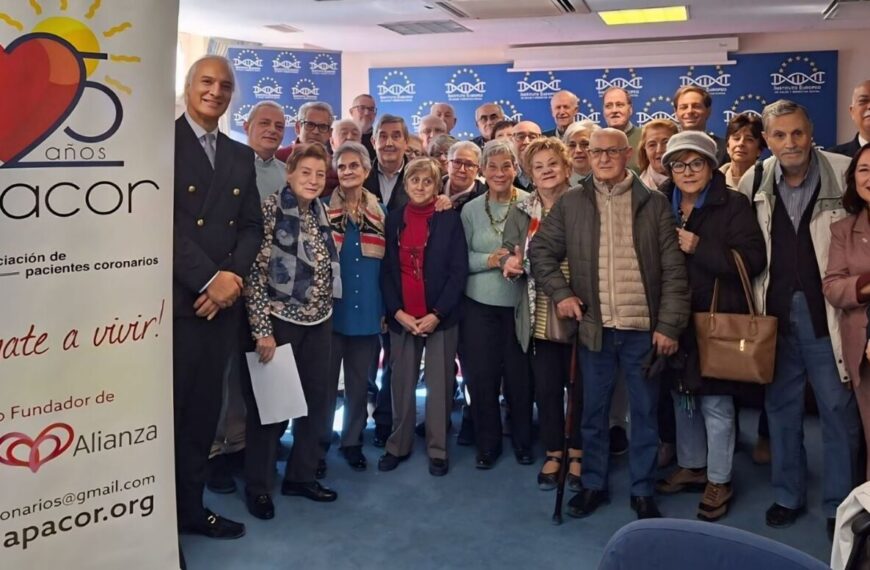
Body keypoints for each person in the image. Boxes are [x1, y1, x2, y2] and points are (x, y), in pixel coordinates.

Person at [530, 127, 690, 520]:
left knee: (645, 414)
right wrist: (562, 294)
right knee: (593, 413)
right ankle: (594, 485)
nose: (602, 158)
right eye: (595, 151)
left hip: (643, 329)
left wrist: (669, 326)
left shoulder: (653, 203)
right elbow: (541, 252)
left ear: (627, 154)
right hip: (594, 327)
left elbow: (674, 270)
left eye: (612, 152)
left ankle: (643, 490)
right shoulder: (571, 202)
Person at [738, 99, 860, 534]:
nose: (790, 143)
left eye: (797, 133)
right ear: (767, 140)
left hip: (828, 315)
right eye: (779, 135)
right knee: (781, 409)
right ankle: (787, 495)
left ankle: (838, 505)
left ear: (811, 133)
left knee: (838, 412)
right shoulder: (754, 179)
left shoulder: (843, 172)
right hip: (774, 318)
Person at [654, 132, 767, 522]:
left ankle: (719, 479)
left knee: (716, 404)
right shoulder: (659, 202)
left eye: (696, 163)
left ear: (710, 165)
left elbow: (753, 259)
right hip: (673, 316)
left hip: (716, 317)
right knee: (682, 397)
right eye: (679, 165)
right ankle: (692, 465)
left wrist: (698, 247)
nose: (687, 172)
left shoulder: (732, 203)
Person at [173, 55, 263, 540]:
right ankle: (160, 525)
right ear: (189, 86)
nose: (215, 91)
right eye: (206, 82)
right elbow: (159, 223)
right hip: (179, 303)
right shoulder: (160, 142)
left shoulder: (239, 155)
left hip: (221, 305)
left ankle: (191, 509)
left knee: (204, 417)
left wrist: (229, 279)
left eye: (225, 85)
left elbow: (251, 227)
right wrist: (208, 279)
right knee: (170, 416)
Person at [243, 143, 341, 519]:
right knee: (272, 410)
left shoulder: (320, 209)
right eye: (306, 173)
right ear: (289, 173)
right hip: (279, 321)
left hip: (319, 320)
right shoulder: (269, 208)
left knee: (315, 405)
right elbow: (254, 273)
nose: (313, 180)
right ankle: (258, 487)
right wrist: (262, 330)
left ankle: (301, 476)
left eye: (319, 174)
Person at [206, 100, 289, 495]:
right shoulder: (227, 164)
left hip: (269, 295)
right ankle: (214, 451)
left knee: (251, 371)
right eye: (264, 123)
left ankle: (239, 443)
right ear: (247, 124)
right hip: (228, 283)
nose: (272, 130)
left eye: (279, 125)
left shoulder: (286, 175)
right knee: (220, 374)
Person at [378, 157, 469, 476]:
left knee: (440, 385)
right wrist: (397, 312)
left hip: (440, 316)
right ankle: (397, 445)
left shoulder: (449, 219)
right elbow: (386, 271)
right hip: (403, 316)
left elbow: (458, 271)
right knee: (400, 384)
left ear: (436, 186)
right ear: (405, 185)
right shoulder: (393, 219)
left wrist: (437, 314)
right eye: (414, 180)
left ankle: (437, 449)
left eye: (427, 181)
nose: (420, 186)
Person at [500, 137, 583, 491]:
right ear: (529, 174)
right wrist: (509, 261)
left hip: (580, 308)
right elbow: (507, 250)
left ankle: (578, 452)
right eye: (538, 166)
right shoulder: (521, 209)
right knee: (546, 388)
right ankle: (554, 452)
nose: (547, 171)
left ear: (567, 167)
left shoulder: (584, 202)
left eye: (553, 164)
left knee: (581, 388)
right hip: (538, 312)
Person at [460, 139, 533, 469]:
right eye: (492, 167)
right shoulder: (470, 210)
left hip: (519, 306)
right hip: (478, 307)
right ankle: (487, 444)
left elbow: (542, 251)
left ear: (516, 169)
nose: (500, 173)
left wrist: (520, 263)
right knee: (481, 378)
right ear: (482, 171)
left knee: (520, 379)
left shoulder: (531, 203)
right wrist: (491, 259)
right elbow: (460, 259)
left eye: (507, 166)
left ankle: (522, 441)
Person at [324, 141, 387, 472]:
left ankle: (352, 442)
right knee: (324, 387)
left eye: (354, 165)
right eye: (342, 166)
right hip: (330, 313)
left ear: (366, 170)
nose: (348, 171)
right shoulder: (321, 209)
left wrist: (385, 310)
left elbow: (389, 267)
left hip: (368, 310)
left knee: (359, 384)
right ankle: (316, 446)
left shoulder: (381, 212)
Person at [823, 142, 870, 479]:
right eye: (865, 170)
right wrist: (866, 284)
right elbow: (833, 287)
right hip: (864, 352)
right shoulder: (843, 230)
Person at [672, 85, 728, 165]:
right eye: (684, 107)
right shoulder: (667, 147)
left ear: (708, 111)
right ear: (676, 112)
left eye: (696, 106)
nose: (690, 111)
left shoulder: (725, 148)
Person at [721, 113, 766, 189]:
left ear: (759, 150)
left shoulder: (768, 181)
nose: (741, 143)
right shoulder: (712, 180)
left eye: (749, 139)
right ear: (728, 147)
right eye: (736, 138)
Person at [602, 87, 642, 170]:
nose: (614, 110)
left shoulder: (644, 137)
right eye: (608, 106)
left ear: (630, 109)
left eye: (619, 105)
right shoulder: (597, 140)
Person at [444, 141, 487, 211]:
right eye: (457, 162)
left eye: (469, 165)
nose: (462, 170)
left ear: (478, 170)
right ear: (447, 165)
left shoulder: (486, 198)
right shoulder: (433, 188)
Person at [637, 119, 679, 191]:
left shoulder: (693, 181)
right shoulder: (636, 188)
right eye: (652, 145)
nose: (659, 150)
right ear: (644, 148)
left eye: (666, 142)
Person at [563, 120, 600, 186]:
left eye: (585, 144)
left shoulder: (612, 179)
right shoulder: (557, 183)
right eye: (572, 145)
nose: (578, 150)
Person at [511, 121, 542, 191]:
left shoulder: (549, 171)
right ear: (512, 141)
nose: (526, 142)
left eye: (532, 137)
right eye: (520, 137)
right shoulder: (505, 173)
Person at [350, 93, 378, 159]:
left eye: (371, 109)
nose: (367, 113)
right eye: (362, 108)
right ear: (351, 112)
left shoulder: (380, 139)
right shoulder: (341, 138)